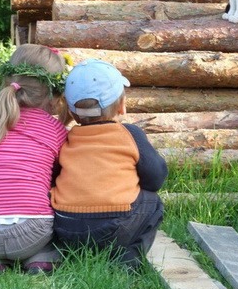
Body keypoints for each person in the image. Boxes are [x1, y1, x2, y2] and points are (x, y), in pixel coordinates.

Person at [0, 44, 72, 276]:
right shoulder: (54, 129)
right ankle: (41, 259)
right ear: (54, 92)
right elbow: (64, 178)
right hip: (32, 230)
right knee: (53, 220)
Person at [50, 58, 168, 269]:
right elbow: (156, 178)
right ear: (121, 105)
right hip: (116, 228)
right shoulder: (129, 134)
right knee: (153, 201)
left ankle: (71, 256)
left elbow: (51, 178)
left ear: (71, 111)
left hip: (67, 230)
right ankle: (128, 259)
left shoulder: (65, 138)